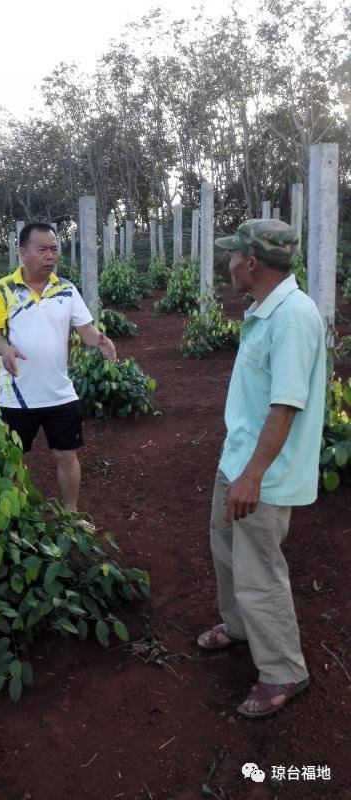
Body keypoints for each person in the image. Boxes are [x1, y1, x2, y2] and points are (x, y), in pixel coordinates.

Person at [197, 219, 327, 719]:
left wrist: (252, 475)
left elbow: (286, 405)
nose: (227, 263)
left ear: (251, 262)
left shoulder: (292, 318)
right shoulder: (266, 310)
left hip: (262, 474)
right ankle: (238, 626)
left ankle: (283, 670)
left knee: (259, 571)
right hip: (240, 460)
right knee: (227, 550)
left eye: (233, 255)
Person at [0, 221, 116, 512]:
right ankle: (14, 514)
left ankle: (70, 514)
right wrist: (5, 349)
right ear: (22, 252)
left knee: (66, 455)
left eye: (54, 249)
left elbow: (85, 329)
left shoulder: (66, 290)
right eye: (42, 249)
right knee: (13, 458)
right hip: (17, 396)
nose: (50, 255)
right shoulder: (2, 290)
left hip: (60, 392)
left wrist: (100, 340)